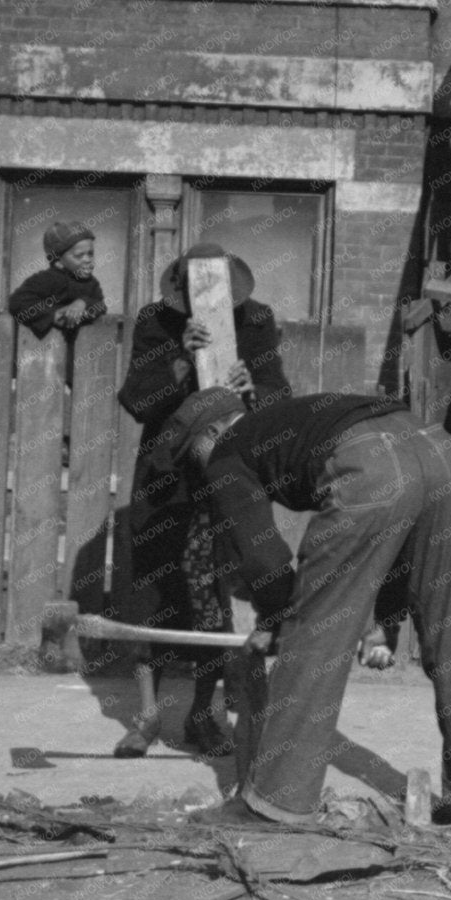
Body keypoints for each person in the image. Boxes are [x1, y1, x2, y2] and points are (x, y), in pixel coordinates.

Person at [153, 388, 451, 830]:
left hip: (369, 462)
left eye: (193, 454)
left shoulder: (227, 451)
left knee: (313, 641)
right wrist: (381, 613)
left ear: (213, 431)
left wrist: (279, 619)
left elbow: (263, 558)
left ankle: (275, 804)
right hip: (439, 449)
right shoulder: (285, 419)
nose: (200, 468)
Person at [114, 243, 291, 758]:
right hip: (166, 475)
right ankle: (147, 717)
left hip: (227, 469)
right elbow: (136, 399)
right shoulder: (156, 321)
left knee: (210, 589)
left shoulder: (256, 320)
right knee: (154, 588)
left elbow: (278, 393)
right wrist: (177, 362)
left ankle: (201, 714)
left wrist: (252, 388)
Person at [7, 222, 108, 339]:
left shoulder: (91, 283)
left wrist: (82, 303)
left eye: (90, 254)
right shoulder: (47, 279)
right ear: (58, 261)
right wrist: (53, 314)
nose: (87, 260)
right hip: (43, 345)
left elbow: (100, 305)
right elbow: (17, 302)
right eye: (79, 255)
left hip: (81, 345)